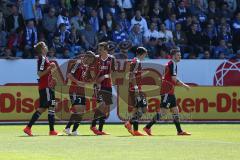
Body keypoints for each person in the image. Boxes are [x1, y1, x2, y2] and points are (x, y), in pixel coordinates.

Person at [143, 48, 191, 136]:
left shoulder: (171, 64)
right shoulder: (172, 64)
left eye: (180, 55)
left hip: (170, 91)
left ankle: (179, 131)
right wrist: (184, 85)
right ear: (173, 56)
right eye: (178, 55)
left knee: (175, 110)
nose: (180, 57)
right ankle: (147, 127)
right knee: (163, 111)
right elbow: (173, 79)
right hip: (167, 91)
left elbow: (169, 78)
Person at [23, 41, 58, 136]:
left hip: (49, 86)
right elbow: (40, 73)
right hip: (45, 87)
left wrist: (51, 74)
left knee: (50, 106)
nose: (47, 47)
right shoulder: (42, 59)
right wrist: (50, 68)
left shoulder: (45, 58)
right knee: (46, 106)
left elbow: (46, 73)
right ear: (42, 49)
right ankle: (28, 127)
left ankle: (51, 130)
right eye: (45, 46)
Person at [63, 51, 96, 136]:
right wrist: (77, 82)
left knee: (81, 111)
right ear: (87, 57)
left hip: (81, 91)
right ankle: (72, 130)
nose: (91, 62)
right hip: (74, 90)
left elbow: (84, 78)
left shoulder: (86, 66)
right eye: (91, 60)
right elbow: (69, 75)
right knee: (79, 111)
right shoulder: (77, 63)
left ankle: (69, 129)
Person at [90, 42, 116, 135]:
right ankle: (93, 125)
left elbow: (113, 72)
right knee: (101, 105)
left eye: (100, 49)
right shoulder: (96, 58)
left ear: (105, 49)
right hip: (99, 85)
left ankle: (100, 130)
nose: (98, 51)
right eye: (98, 49)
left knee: (105, 107)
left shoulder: (112, 58)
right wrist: (96, 81)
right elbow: (91, 71)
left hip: (108, 85)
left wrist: (105, 76)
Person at [124, 47, 148, 136]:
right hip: (136, 89)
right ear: (142, 54)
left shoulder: (134, 61)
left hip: (135, 88)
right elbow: (131, 75)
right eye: (145, 54)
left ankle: (135, 130)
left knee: (136, 109)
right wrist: (136, 88)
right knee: (144, 109)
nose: (145, 56)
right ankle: (129, 123)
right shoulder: (136, 62)